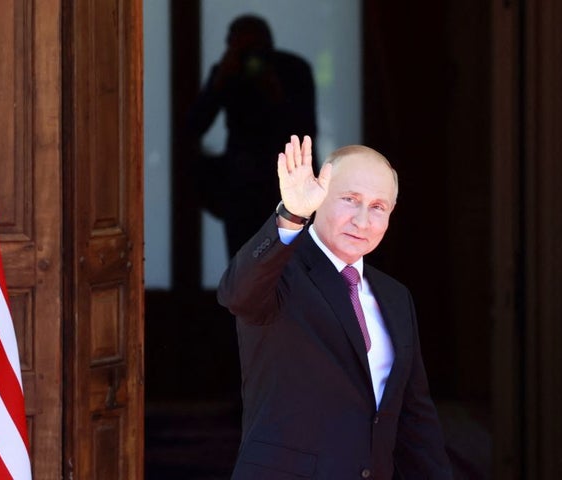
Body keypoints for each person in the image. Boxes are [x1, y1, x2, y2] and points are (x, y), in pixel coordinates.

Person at [217, 135, 453, 479]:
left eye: (378, 207)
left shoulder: (395, 296)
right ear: (319, 196)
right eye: (349, 199)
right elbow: (236, 294)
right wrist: (292, 215)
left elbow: (414, 418)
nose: (362, 220)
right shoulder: (281, 272)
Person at [188, 14, 317, 258]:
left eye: (254, 48)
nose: (250, 57)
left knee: (291, 264)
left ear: (268, 46)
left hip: (287, 182)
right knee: (243, 265)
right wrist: (219, 83)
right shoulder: (227, 72)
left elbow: (305, 130)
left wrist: (276, 92)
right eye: (240, 47)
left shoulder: (293, 70)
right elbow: (193, 125)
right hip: (240, 185)